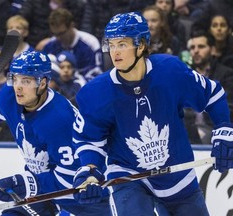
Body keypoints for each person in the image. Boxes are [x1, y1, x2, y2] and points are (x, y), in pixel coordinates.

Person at [72, 12, 233, 216]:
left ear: (141, 45)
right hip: (128, 175)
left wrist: (224, 127)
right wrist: (89, 169)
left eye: (122, 44)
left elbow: (212, 94)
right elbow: (88, 139)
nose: (114, 52)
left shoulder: (170, 71)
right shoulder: (95, 92)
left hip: (177, 172)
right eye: (111, 45)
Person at [0, 50, 111, 216]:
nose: (18, 86)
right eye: (15, 78)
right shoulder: (10, 95)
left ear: (43, 83)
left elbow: (72, 178)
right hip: (45, 194)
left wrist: (28, 183)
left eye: (26, 81)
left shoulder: (59, 119)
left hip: (88, 198)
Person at [183, 30, 233, 144]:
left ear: (213, 50)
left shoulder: (227, 74)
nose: (195, 51)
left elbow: (228, 107)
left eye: (201, 47)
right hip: (189, 129)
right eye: (192, 47)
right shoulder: (185, 76)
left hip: (214, 128)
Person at [41, 8, 103, 82]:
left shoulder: (90, 43)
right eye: (55, 34)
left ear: (71, 26)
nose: (58, 38)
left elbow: (97, 73)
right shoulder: (50, 46)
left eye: (61, 33)